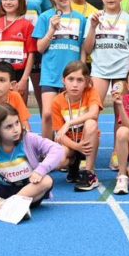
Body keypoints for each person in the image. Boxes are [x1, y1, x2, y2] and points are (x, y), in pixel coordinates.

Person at [0, 105, 60, 218]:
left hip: (28, 190)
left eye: (17, 123)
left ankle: (1, 205)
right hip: (2, 189)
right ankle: (3, 206)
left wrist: (40, 170)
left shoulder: (29, 139)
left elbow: (57, 149)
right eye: (9, 126)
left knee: (47, 180)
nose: (16, 129)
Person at [33, 0, 88, 138]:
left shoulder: (81, 19)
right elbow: (40, 48)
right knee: (48, 114)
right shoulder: (45, 17)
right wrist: (51, 29)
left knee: (69, 116)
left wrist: (83, 73)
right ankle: (46, 148)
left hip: (72, 76)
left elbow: (83, 49)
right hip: (50, 75)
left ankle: (69, 148)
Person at [5, 0, 53, 109]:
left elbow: (47, 17)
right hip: (14, 49)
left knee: (43, 100)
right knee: (17, 100)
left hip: (36, 48)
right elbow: (0, 18)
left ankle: (46, 126)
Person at [51, 61, 102, 191]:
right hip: (70, 143)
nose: (75, 84)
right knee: (58, 161)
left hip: (88, 140)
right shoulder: (57, 102)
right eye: (71, 79)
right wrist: (76, 147)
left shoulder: (91, 93)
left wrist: (69, 123)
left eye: (80, 80)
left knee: (91, 123)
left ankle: (89, 174)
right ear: (63, 80)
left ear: (86, 82)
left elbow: (94, 113)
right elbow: (60, 135)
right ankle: (73, 163)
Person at [84, 0, 129, 103]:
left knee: (121, 109)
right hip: (99, 70)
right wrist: (93, 27)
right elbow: (87, 49)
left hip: (122, 70)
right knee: (94, 107)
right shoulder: (94, 17)